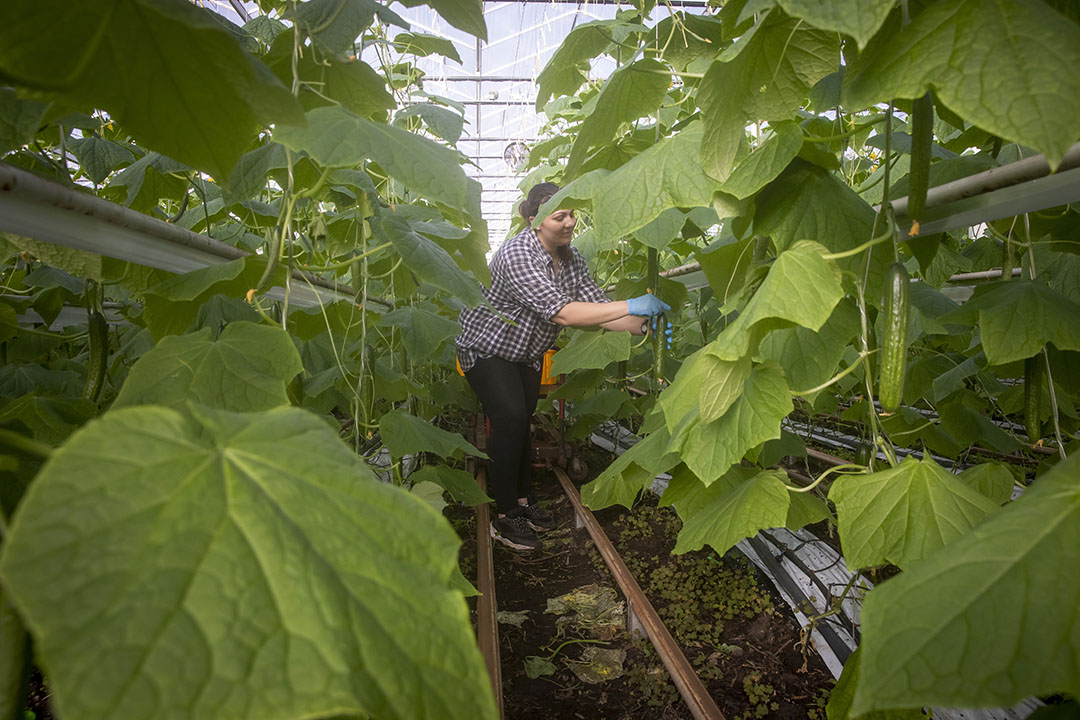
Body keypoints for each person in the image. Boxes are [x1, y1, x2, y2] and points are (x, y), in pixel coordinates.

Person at [455, 182, 670, 550]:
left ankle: (522, 502)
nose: (570, 223)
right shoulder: (517, 253)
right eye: (560, 216)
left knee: (520, 423)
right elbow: (565, 313)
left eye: (572, 214)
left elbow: (599, 311)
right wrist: (631, 304)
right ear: (534, 219)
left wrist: (646, 324)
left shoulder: (571, 259)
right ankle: (505, 517)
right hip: (486, 348)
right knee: (508, 418)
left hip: (525, 353)